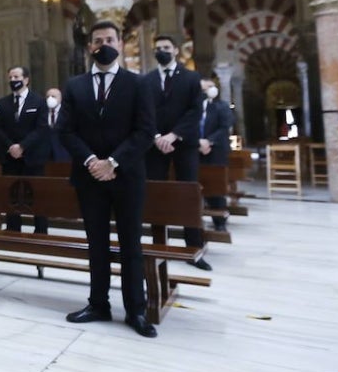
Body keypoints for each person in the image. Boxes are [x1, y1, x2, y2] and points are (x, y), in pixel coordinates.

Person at [58, 20, 158, 338]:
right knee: (96, 243)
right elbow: (65, 130)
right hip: (89, 177)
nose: (104, 44)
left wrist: (113, 162)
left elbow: (144, 131)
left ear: (120, 43)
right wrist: (91, 161)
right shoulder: (74, 86)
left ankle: (136, 310)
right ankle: (98, 303)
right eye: (98, 40)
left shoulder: (138, 84)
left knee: (131, 244)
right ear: (90, 47)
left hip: (126, 175)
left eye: (110, 39)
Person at [143, 35, 208, 270]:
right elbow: (143, 112)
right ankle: (159, 244)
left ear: (176, 50)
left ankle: (194, 248)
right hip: (155, 144)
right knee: (157, 192)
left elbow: (195, 111)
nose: (162, 51)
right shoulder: (147, 80)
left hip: (184, 143)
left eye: (166, 48)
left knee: (188, 192)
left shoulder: (191, 77)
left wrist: (173, 135)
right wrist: (157, 136)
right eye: (158, 48)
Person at [0, 66, 49, 233]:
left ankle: (40, 230)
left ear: (26, 79)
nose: (12, 80)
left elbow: (41, 129)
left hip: (32, 157)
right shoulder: (3, 104)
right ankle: (13, 229)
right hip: (10, 158)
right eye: (10, 77)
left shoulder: (38, 102)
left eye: (16, 77)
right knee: (12, 194)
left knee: (36, 194)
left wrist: (22, 146)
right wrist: (11, 146)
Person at [198, 78, 235, 231]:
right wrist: (198, 142)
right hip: (198, 151)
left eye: (211, 87)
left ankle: (219, 222)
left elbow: (224, 127)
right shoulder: (195, 107)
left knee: (216, 188)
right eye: (205, 88)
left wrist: (209, 141)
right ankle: (196, 220)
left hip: (216, 152)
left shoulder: (222, 106)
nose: (209, 90)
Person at [45, 87, 70, 163]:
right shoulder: (42, 112)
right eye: (48, 97)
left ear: (60, 98)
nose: (50, 99)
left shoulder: (67, 113)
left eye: (53, 96)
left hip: (63, 153)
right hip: (46, 154)